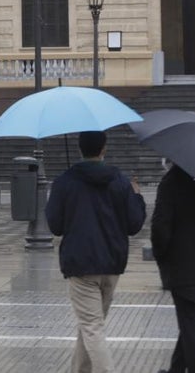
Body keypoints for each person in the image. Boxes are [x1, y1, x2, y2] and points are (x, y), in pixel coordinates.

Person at [45, 130, 146, 373]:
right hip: (112, 264)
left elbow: (55, 227)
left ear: (80, 149)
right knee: (91, 324)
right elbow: (134, 225)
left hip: (81, 265)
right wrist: (138, 196)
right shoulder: (121, 181)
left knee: (91, 326)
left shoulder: (65, 182)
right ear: (104, 149)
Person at [150, 160, 195, 373]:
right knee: (191, 323)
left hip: (181, 266)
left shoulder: (171, 182)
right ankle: (175, 369)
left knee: (190, 327)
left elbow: (160, 227)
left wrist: (161, 255)